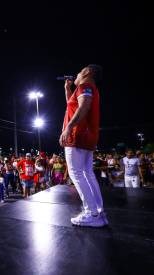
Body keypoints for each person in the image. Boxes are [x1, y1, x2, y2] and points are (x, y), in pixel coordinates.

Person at [59, 64, 107, 227]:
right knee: (87, 173)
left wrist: (69, 128)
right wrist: (68, 89)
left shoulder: (85, 86)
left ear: (87, 72)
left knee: (76, 173)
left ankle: (91, 213)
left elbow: (84, 106)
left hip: (78, 136)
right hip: (87, 136)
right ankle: (98, 211)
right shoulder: (88, 88)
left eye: (80, 71)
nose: (77, 74)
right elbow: (73, 107)